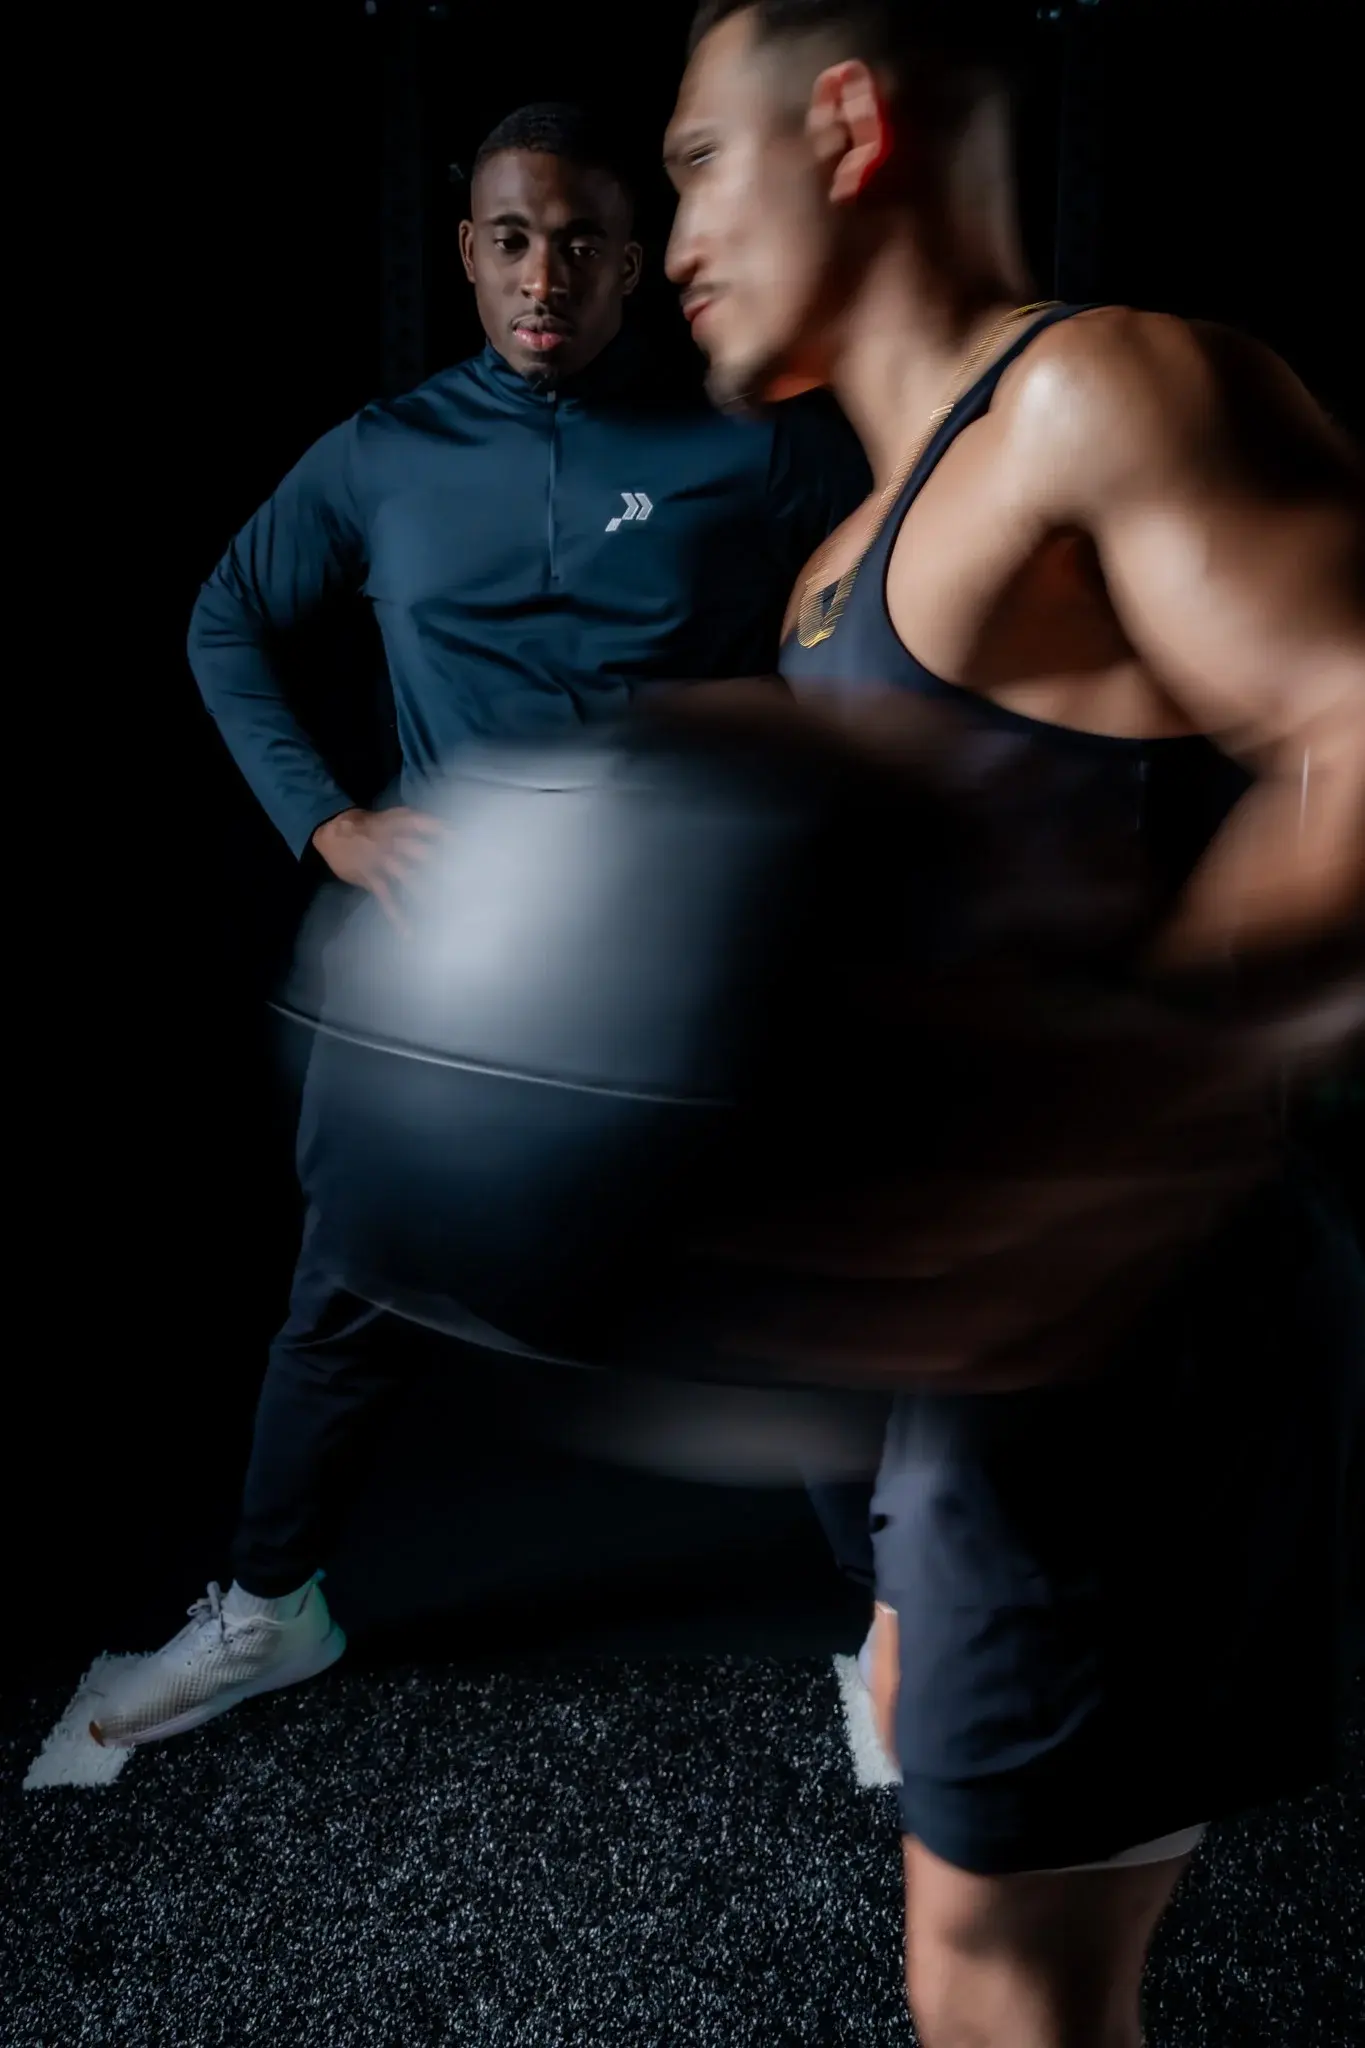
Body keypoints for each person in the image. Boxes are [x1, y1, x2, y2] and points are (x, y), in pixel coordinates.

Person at [663, 5, 1364, 2044]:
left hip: (1110, 1336)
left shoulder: (1095, 392)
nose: (676, 229)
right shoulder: (834, 568)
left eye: (701, 160)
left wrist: (1128, 1100)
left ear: (847, 123)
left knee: (1005, 1988)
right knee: (982, 1952)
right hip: (937, 1375)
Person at [90, 100, 871, 1749]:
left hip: (680, 973)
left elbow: (885, 613)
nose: (545, 274)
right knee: (346, 1295)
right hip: (453, 978)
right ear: (467, 252)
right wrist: (330, 819)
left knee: (794, 1292)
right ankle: (269, 1609)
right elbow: (226, 616)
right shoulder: (382, 453)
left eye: (581, 241)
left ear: (637, 262)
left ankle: (903, 1637)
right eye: (511, 239)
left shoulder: (762, 445)